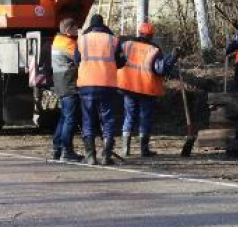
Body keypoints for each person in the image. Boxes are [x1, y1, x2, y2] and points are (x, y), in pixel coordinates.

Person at [118, 22, 178, 158]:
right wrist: (172, 57)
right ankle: (143, 150)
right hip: (146, 88)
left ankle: (125, 149)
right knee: (144, 118)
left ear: (139, 32)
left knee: (129, 116)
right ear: (151, 35)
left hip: (128, 87)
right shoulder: (154, 49)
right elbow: (161, 69)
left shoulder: (126, 45)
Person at [74, 13, 125, 165]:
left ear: (91, 25)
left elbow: (76, 60)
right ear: (103, 25)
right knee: (107, 119)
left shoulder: (82, 40)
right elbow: (121, 62)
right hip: (107, 85)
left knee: (88, 119)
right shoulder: (113, 40)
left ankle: (90, 156)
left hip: (86, 84)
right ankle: (106, 156)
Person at [51, 18, 84, 162]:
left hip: (61, 83)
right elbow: (80, 59)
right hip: (69, 83)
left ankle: (57, 148)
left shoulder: (58, 40)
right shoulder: (67, 43)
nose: (77, 31)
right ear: (68, 30)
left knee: (64, 117)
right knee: (70, 119)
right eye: (75, 28)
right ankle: (67, 151)